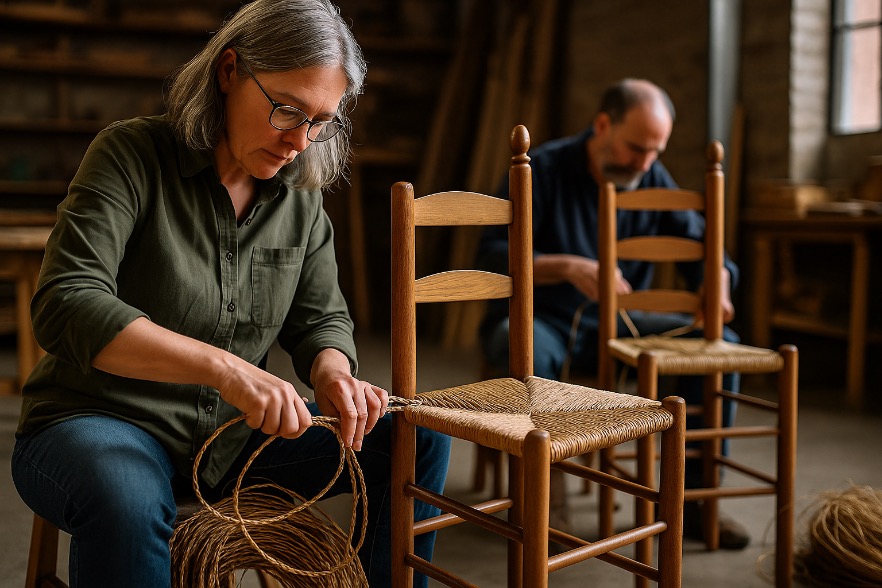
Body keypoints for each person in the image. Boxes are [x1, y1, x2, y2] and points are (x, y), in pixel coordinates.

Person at [10, 1, 451, 586]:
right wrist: (222, 368)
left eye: (322, 121)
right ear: (228, 72)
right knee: (125, 496)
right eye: (287, 110)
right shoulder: (130, 156)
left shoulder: (299, 198)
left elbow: (321, 319)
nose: (300, 140)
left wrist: (332, 374)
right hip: (99, 423)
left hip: (231, 443)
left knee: (415, 439)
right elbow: (66, 300)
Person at [477, 78, 749, 549]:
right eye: (636, 148)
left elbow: (706, 246)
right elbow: (489, 255)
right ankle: (544, 505)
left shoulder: (650, 174)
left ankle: (697, 506)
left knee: (719, 352)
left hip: (621, 326)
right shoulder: (540, 168)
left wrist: (717, 281)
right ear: (602, 125)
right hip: (544, 322)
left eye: (655, 152)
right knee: (525, 352)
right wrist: (566, 266)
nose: (644, 164)